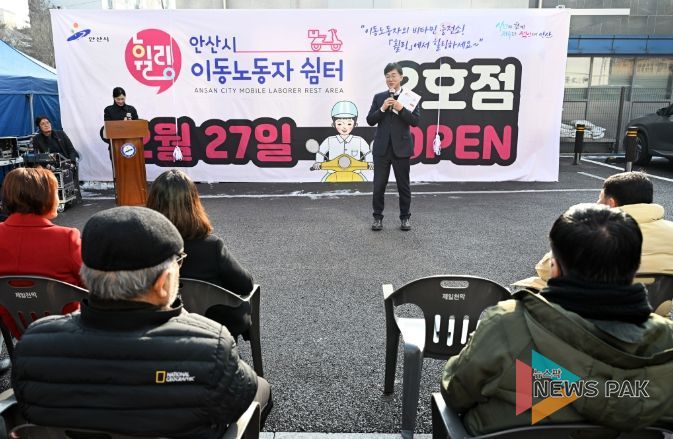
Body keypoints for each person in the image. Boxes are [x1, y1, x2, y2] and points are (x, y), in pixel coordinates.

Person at [12, 206, 271, 438]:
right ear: (161, 283)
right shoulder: (210, 348)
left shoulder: (34, 344)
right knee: (261, 389)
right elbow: (240, 398)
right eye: (178, 262)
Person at [442, 204, 673, 436]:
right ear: (634, 269)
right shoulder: (666, 341)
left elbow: (456, 393)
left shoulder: (508, 325)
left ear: (555, 267)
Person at [512, 171, 673, 292]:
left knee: (534, 285)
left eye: (600, 198)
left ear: (611, 203)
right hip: (652, 310)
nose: (597, 203)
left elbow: (547, 269)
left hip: (589, 312)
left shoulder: (594, 231)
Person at [147, 169, 254, 338]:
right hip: (212, 330)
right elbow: (245, 285)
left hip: (157, 327)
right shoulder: (211, 246)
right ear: (193, 203)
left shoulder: (143, 246)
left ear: (152, 203)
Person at [0, 167, 84, 340]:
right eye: (55, 192)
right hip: (67, 330)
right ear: (44, 198)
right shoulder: (67, 238)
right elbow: (92, 284)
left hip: (18, 330)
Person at [366, 62, 420, 231]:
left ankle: (405, 218)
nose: (390, 79)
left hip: (401, 148)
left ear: (401, 77)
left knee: (403, 186)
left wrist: (401, 108)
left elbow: (415, 121)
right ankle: (377, 218)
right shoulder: (379, 97)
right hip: (381, 149)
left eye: (394, 75)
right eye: (387, 76)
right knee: (378, 186)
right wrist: (382, 109)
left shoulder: (410, 97)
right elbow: (370, 120)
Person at [310, 101, 373, 182]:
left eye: (349, 124)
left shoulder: (359, 140)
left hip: (355, 174)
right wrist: (318, 163)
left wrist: (370, 163)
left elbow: (367, 152)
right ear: (333, 124)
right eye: (339, 124)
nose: (344, 127)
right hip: (333, 174)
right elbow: (320, 152)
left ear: (355, 125)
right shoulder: (329, 140)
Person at [31, 116, 82, 201]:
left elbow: (71, 150)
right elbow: (37, 156)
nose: (46, 125)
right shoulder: (37, 139)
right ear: (39, 127)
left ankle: (74, 196)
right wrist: (47, 165)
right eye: (43, 124)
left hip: (65, 161)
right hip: (48, 165)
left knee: (71, 168)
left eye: (47, 122)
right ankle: (51, 198)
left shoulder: (61, 134)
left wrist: (72, 162)